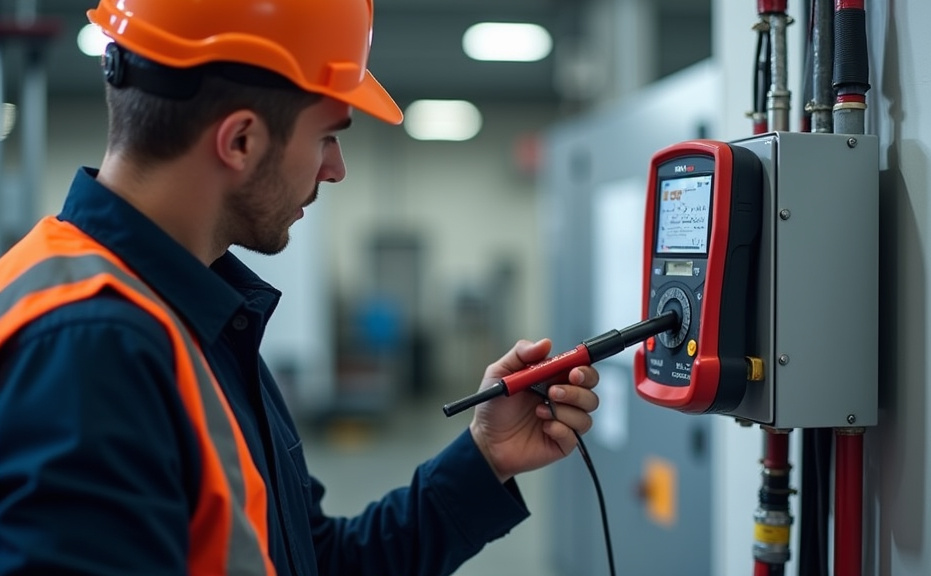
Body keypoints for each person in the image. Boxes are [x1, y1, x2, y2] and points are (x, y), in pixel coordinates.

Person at [0, 0, 601, 574]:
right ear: (240, 141)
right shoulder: (90, 347)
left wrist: (486, 457)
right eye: (326, 136)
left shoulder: (188, 317)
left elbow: (312, 560)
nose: (335, 168)